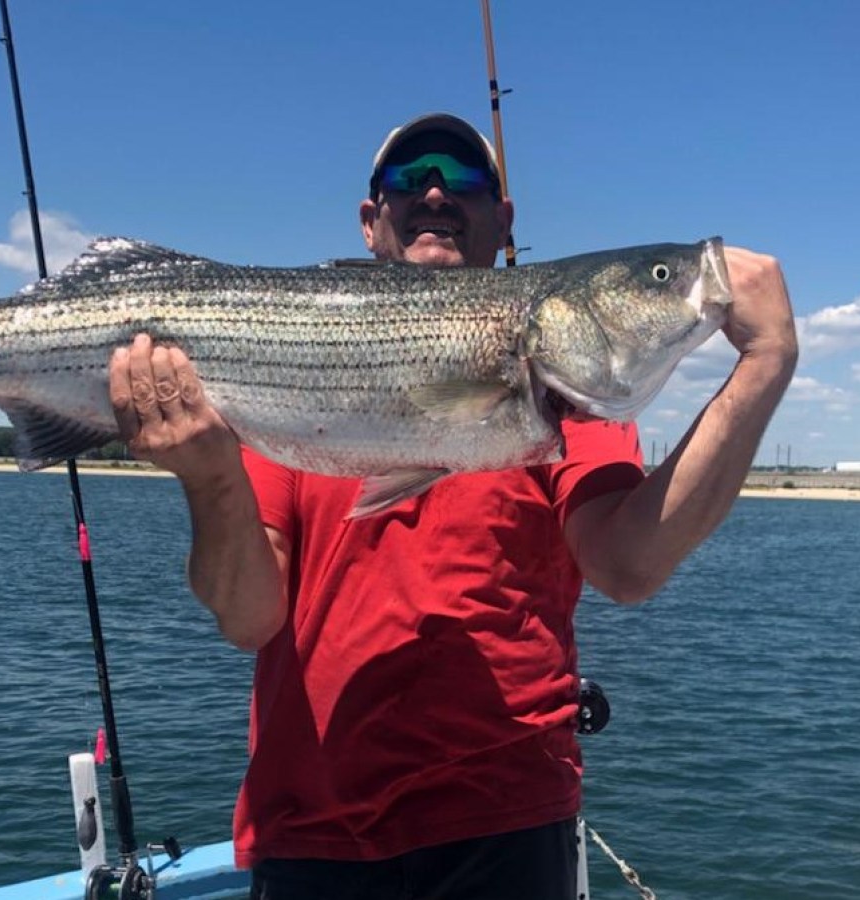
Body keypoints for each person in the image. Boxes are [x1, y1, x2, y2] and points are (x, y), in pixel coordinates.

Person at [107, 112, 797, 900]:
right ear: (371, 223)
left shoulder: (578, 409)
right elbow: (247, 619)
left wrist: (765, 361)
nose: (435, 191)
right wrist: (209, 475)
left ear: (504, 224)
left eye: (464, 180)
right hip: (311, 827)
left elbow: (629, 566)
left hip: (505, 819)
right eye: (408, 181)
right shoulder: (288, 387)